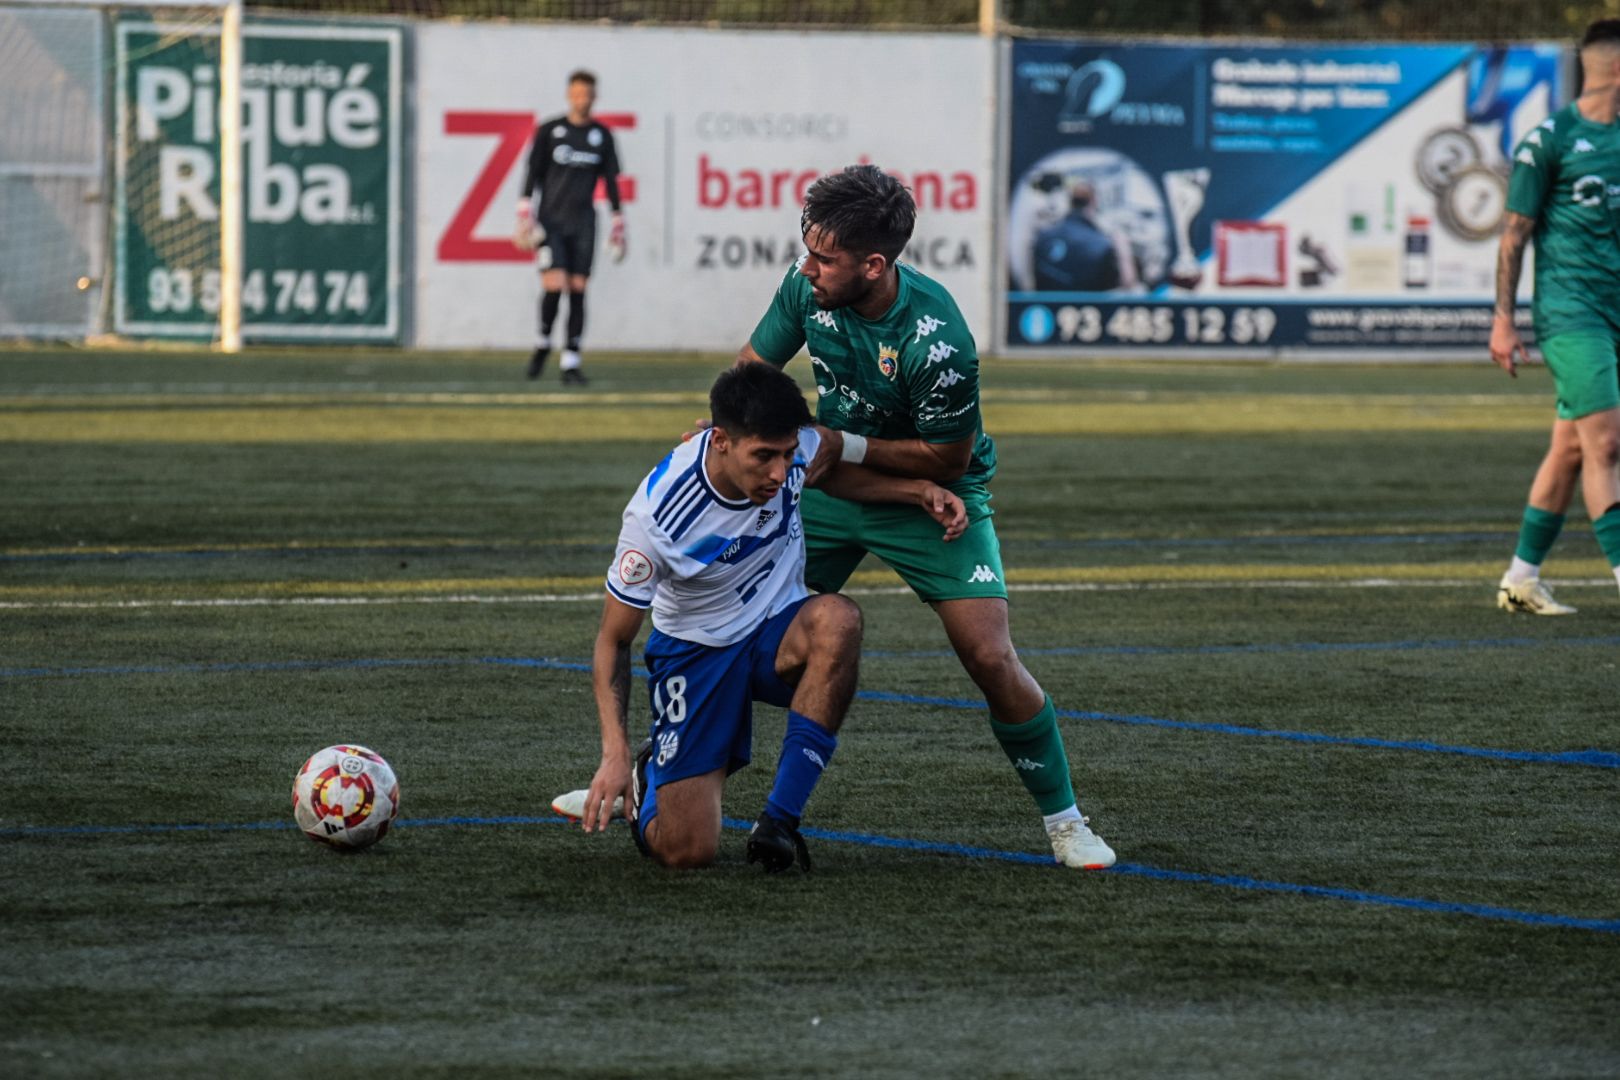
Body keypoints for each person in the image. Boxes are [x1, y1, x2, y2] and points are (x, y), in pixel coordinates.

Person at [741, 164, 1115, 869]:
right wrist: (737, 426)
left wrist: (842, 441)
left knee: (988, 654)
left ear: (874, 265)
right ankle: (654, 776)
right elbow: (753, 371)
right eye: (806, 248)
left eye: (824, 257)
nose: (806, 267)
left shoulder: (939, 342)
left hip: (934, 496)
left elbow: (945, 460)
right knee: (734, 628)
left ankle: (1066, 822)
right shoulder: (804, 286)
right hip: (827, 486)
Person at [553, 362, 967, 871]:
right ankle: (646, 773)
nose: (779, 472)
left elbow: (831, 469)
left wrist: (918, 491)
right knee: (686, 852)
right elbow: (612, 643)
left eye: (788, 455)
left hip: (777, 627)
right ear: (721, 441)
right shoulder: (656, 521)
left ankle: (779, 821)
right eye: (764, 457)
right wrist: (613, 755)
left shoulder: (791, 451)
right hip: (696, 652)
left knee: (838, 620)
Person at [1490, 19, 1620, 616]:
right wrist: (1504, 319)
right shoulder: (1549, 141)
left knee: (1571, 449)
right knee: (1609, 443)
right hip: (1572, 313)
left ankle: (1521, 579)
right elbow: (1514, 234)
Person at [514, 69, 625, 386]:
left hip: (584, 222)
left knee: (578, 288)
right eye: (577, 94)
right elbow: (533, 172)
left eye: (587, 94)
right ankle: (543, 342)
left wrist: (618, 219)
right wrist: (524, 209)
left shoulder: (602, 136)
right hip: (550, 220)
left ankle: (571, 360)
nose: (582, 99)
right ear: (569, 95)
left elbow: (611, 182)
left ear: (594, 97)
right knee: (554, 284)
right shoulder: (550, 130)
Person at [1031, 179, 1136, 293]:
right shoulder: (1103, 247)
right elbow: (1128, 284)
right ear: (1094, 201)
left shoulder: (1044, 235)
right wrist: (1123, 250)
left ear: (1070, 201)